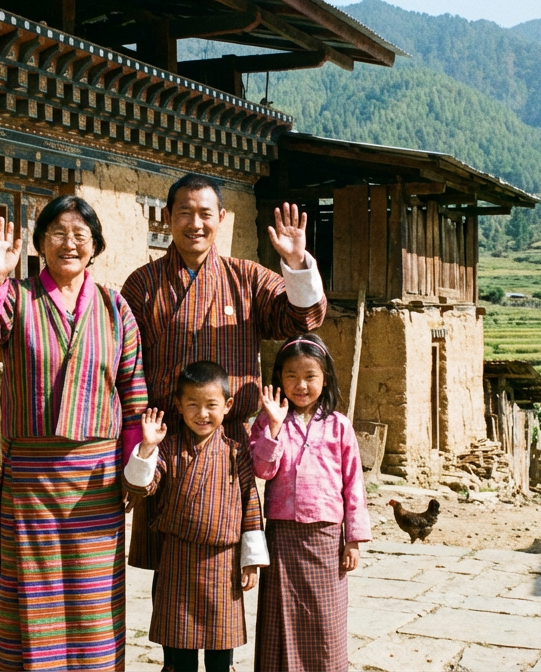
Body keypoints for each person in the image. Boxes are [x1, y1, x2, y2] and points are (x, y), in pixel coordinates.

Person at [0, 195, 146, 671]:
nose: (69, 243)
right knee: (34, 594)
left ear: (95, 245)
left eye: (81, 235)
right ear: (38, 244)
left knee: (93, 597)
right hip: (31, 481)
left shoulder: (116, 309)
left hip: (96, 484)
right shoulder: (16, 297)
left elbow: (133, 395)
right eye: (57, 233)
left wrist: (137, 471)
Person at [122, 173, 326, 572]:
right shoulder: (143, 285)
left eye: (205, 213)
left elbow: (305, 316)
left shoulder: (246, 278)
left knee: (227, 567)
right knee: (170, 575)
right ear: (167, 216)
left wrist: (297, 263)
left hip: (230, 447)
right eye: (184, 213)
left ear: (222, 217)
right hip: (166, 444)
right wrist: (135, 443)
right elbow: (125, 367)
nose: (195, 223)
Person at [121, 361, 268, 672]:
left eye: (211, 405)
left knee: (220, 653)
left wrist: (251, 559)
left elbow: (251, 505)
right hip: (176, 562)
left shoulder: (236, 453)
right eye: (193, 405)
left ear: (227, 406)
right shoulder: (169, 449)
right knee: (179, 655)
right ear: (178, 405)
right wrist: (147, 447)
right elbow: (141, 485)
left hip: (223, 566)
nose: (202, 414)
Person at [249, 334, 371, 672]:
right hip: (282, 537)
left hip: (326, 539)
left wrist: (353, 539)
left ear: (326, 378)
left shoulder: (338, 426)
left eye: (310, 376)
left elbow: (353, 486)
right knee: (280, 621)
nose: (300, 385)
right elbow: (262, 469)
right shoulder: (267, 420)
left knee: (324, 624)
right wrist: (273, 428)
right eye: (291, 376)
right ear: (278, 379)